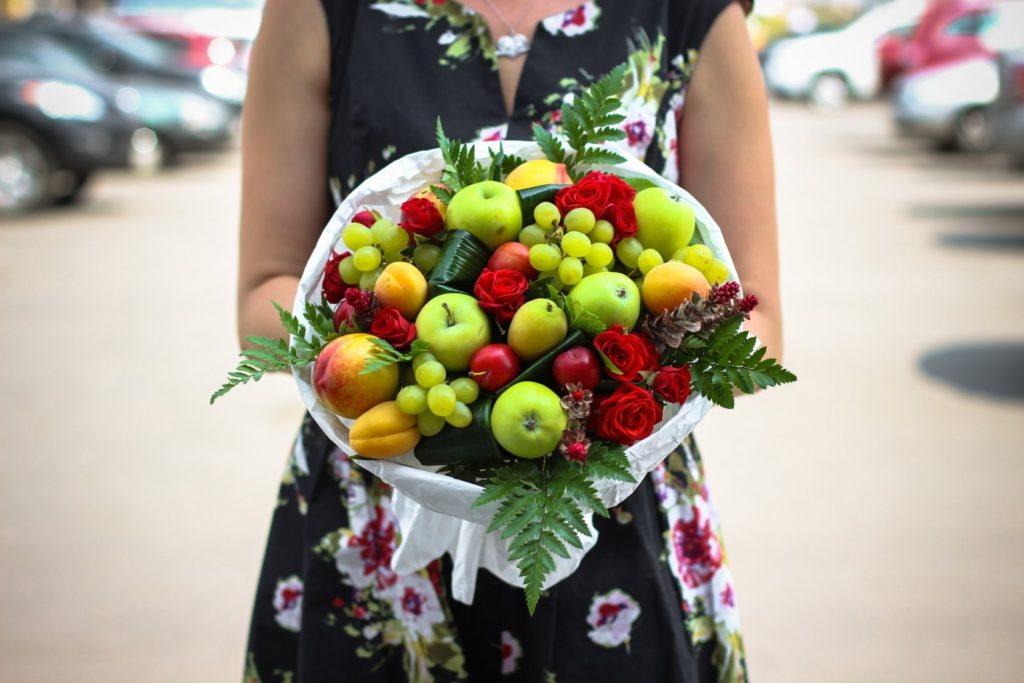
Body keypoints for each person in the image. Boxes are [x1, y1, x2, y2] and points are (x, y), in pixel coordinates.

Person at [237, 0, 781, 680]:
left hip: (603, 498)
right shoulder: (319, 10)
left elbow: (759, 323)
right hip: (380, 493)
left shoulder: (690, 12)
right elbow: (262, 298)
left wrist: (617, 380)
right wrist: (390, 350)